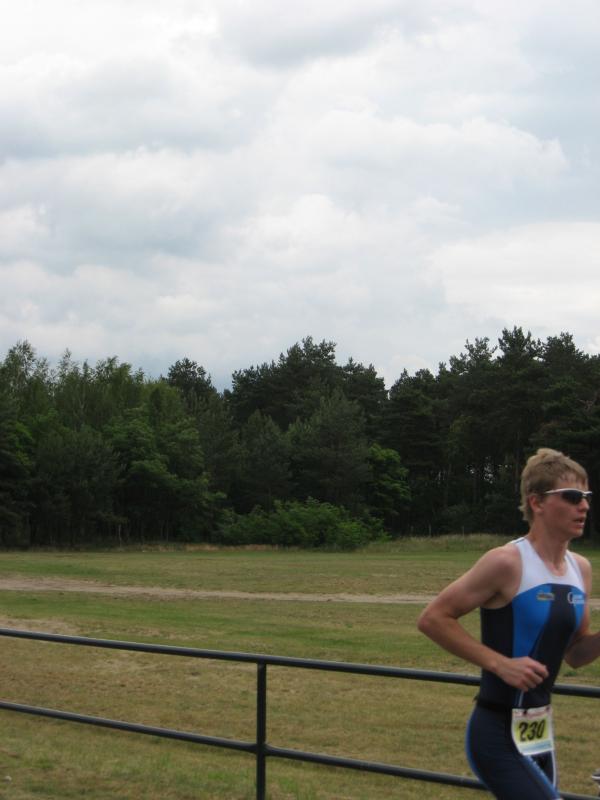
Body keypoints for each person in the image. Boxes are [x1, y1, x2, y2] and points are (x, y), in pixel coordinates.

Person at [418, 448, 600, 800]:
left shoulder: (581, 569)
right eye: (572, 496)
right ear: (537, 502)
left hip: (538, 730)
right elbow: (433, 618)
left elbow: (576, 654)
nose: (584, 506)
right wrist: (500, 664)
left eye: (587, 497)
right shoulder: (506, 562)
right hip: (496, 731)